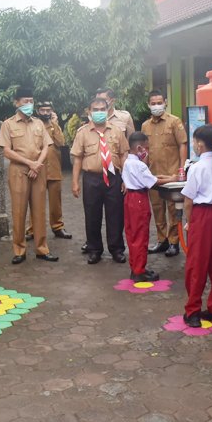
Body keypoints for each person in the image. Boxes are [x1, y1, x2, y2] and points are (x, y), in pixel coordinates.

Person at [0, 87, 58, 264]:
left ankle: (41, 248)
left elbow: (47, 146)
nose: (29, 105)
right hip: (19, 171)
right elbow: (6, 151)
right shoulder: (8, 124)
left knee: (39, 211)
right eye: (25, 101)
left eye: (31, 101)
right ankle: (19, 250)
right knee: (19, 211)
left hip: (38, 170)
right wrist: (30, 163)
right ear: (16, 103)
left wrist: (37, 164)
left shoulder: (38, 123)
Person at [180, 124, 212, 328]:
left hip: (202, 215)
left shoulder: (197, 168)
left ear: (199, 144)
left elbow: (188, 200)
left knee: (197, 264)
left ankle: (193, 311)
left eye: (194, 142)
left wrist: (190, 223)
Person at [71, 98, 129, 265]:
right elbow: (77, 159)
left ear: (107, 109)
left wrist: (125, 178)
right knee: (92, 216)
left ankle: (117, 249)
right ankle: (94, 249)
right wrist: (75, 182)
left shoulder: (117, 131)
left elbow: (124, 154)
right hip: (92, 179)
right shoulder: (82, 133)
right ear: (89, 112)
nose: (99, 112)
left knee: (116, 215)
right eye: (95, 109)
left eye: (102, 109)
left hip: (114, 178)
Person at [122, 132, 176, 282]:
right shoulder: (139, 165)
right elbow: (152, 182)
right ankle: (140, 271)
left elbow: (151, 178)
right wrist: (171, 179)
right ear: (139, 148)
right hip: (139, 199)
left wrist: (168, 177)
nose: (148, 151)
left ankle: (135, 268)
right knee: (141, 235)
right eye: (146, 148)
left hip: (129, 199)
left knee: (132, 234)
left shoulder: (127, 162)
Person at [141, 90, 187, 258]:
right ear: (148, 105)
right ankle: (162, 240)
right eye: (153, 103)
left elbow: (182, 144)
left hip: (172, 174)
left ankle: (174, 242)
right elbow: (144, 150)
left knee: (173, 209)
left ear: (165, 102)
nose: (156, 106)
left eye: (159, 102)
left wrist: (181, 169)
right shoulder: (145, 126)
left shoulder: (174, 122)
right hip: (153, 175)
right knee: (157, 208)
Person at [28, 101, 72, 240]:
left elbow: (61, 142)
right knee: (35, 200)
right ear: (37, 111)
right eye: (43, 110)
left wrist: (55, 124)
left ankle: (58, 227)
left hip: (53, 168)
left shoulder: (54, 125)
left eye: (48, 110)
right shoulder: (32, 124)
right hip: (37, 168)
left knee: (55, 202)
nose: (45, 113)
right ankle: (32, 229)